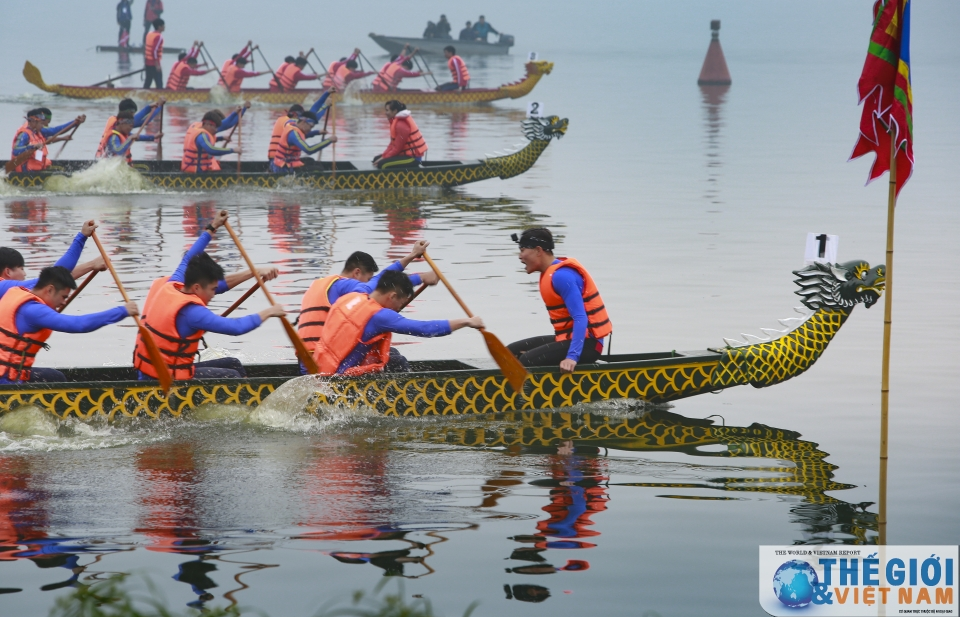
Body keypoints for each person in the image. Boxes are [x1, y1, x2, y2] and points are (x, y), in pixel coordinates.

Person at [134, 210, 283, 381]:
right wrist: (270, 311)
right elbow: (236, 328)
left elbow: (191, 256)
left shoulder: (174, 284)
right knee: (232, 376)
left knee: (233, 364)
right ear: (197, 287)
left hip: (152, 372)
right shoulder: (193, 313)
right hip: (165, 382)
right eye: (213, 290)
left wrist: (213, 226)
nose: (215, 293)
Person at [313, 270, 484, 376]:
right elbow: (425, 329)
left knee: (392, 353)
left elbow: (383, 278)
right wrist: (467, 322)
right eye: (401, 304)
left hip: (321, 368)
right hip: (340, 378)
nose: (398, 308)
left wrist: (422, 277)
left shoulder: (353, 296)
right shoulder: (381, 317)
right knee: (398, 362)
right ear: (393, 296)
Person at [297, 241, 438, 368]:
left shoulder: (321, 284)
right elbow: (384, 285)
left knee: (388, 352)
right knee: (395, 359)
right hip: (323, 362)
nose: (374, 286)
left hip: (306, 361)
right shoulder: (347, 286)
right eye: (368, 279)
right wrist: (420, 278)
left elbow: (381, 279)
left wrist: (412, 255)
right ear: (357, 273)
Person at [0, 266, 138, 384]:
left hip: (9, 372)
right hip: (5, 380)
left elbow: (59, 270)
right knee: (56, 380)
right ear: (49, 290)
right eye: (63, 297)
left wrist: (82, 238)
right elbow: (79, 325)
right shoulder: (35, 311)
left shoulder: (17, 291)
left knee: (56, 377)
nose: (64, 302)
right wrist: (122, 311)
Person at [507, 228, 612, 373]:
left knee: (527, 360)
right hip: (567, 338)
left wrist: (572, 357)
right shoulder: (549, 274)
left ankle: (533, 392)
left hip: (589, 344)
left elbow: (580, 318)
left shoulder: (562, 276)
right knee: (508, 353)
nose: (520, 256)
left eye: (522, 250)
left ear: (538, 250)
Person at [0, 220, 106, 302]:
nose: (25, 273)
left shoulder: (10, 291)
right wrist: (81, 237)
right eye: (21, 268)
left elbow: (55, 279)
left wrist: (92, 265)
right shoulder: (5, 288)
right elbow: (53, 277)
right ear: (8, 272)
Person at [11, 109, 85, 172]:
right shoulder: (24, 134)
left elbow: (47, 139)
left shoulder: (37, 132)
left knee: (59, 169)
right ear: (33, 122)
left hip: (37, 168)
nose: (43, 126)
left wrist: (75, 123)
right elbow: (16, 150)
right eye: (41, 123)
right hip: (26, 171)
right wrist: (32, 147)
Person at [180, 104, 248, 173]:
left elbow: (203, 143)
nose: (216, 130)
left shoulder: (198, 126)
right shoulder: (202, 136)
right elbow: (211, 150)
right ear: (207, 124)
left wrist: (221, 138)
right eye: (215, 127)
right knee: (231, 171)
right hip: (197, 172)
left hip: (193, 167)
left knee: (227, 168)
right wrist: (233, 150)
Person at [267, 94, 331, 161]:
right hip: (280, 160)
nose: (302, 119)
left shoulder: (284, 121)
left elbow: (311, 116)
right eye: (301, 116)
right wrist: (325, 106)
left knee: (310, 161)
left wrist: (318, 132)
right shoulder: (290, 123)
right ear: (295, 114)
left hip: (277, 158)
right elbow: (313, 117)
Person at [96, 98, 163, 158]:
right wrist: (159, 106)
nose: (132, 122)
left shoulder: (120, 126)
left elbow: (136, 135)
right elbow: (144, 121)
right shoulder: (117, 129)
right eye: (133, 114)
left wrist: (154, 137)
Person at [271, 112, 336, 173]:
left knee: (311, 161)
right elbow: (309, 150)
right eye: (310, 127)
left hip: (288, 163)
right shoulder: (293, 133)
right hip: (283, 168)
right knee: (318, 169)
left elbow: (304, 136)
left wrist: (318, 132)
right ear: (303, 122)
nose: (310, 130)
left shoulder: (296, 125)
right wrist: (329, 141)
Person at [372, 101, 427, 169]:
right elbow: (392, 145)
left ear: (395, 111)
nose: (385, 113)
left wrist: (384, 158)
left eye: (387, 110)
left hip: (413, 158)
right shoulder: (396, 122)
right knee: (376, 159)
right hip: (405, 154)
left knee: (382, 164)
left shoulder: (401, 125)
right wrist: (383, 156)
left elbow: (397, 149)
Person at [143, 18, 165, 89]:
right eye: (163, 26)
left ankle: (143, 94)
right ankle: (161, 96)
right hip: (154, 64)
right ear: (159, 27)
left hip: (147, 62)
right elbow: (154, 51)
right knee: (159, 83)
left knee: (148, 81)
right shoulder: (159, 36)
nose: (164, 27)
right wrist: (157, 65)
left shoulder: (149, 34)